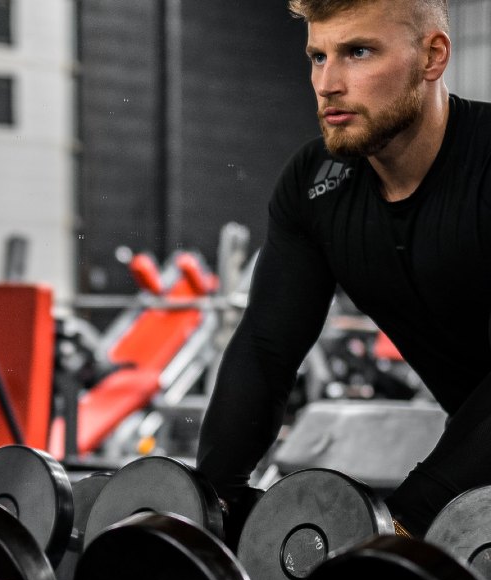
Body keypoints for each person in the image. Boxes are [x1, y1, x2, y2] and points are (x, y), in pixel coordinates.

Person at [197, 0, 491, 546]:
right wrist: (209, 504)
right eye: (317, 56)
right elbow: (266, 349)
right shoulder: (315, 186)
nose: (327, 83)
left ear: (432, 56)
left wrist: (407, 520)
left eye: (358, 52)